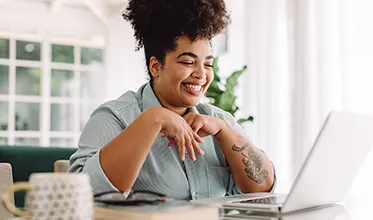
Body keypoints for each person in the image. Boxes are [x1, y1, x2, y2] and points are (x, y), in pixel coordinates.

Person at [69, 0, 276, 200]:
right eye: (188, 62)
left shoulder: (218, 121)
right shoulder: (114, 118)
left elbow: (262, 189)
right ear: (155, 66)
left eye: (208, 65)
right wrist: (153, 119)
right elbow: (81, 194)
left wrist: (225, 131)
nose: (201, 75)